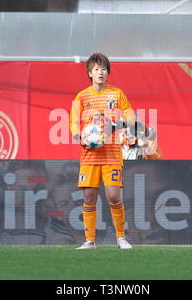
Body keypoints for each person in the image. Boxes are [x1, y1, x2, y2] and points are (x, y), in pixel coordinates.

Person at [70, 52, 136, 250]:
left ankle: (121, 238)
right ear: (90, 73)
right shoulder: (81, 97)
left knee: (113, 196)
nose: (101, 72)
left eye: (104, 69)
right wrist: (81, 138)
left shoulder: (117, 94)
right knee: (89, 198)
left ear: (108, 73)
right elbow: (74, 124)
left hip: (112, 155)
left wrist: (117, 125)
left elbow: (131, 118)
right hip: (89, 157)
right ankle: (90, 240)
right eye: (96, 69)